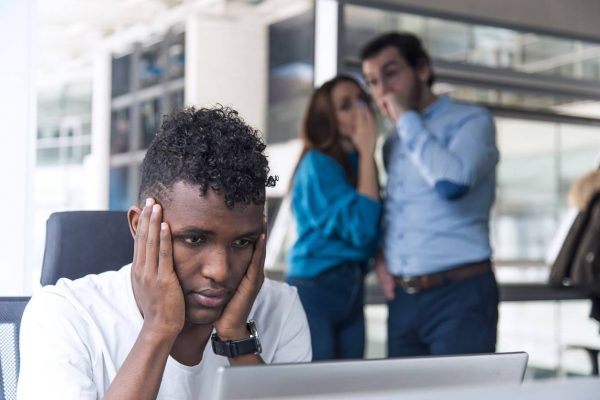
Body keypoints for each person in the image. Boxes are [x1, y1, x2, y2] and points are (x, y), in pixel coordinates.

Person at [18, 106, 312, 399]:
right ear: (139, 226)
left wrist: (237, 338)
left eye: (242, 243)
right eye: (195, 239)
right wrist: (158, 329)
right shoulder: (65, 316)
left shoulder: (280, 309)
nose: (220, 271)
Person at [360, 32, 500, 357]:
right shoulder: (394, 141)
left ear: (422, 69)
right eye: (372, 81)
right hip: (404, 299)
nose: (382, 90)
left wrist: (406, 119)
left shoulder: (472, 120)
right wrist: (382, 253)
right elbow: (399, 208)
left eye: (391, 73)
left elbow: (452, 184)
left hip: (460, 295)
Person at [286, 75, 382, 360]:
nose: (360, 110)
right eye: (345, 105)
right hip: (316, 288)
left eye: (362, 99)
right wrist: (367, 151)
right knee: (317, 385)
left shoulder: (359, 163)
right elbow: (363, 229)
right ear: (327, 118)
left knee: (350, 384)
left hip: (352, 287)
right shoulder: (317, 163)